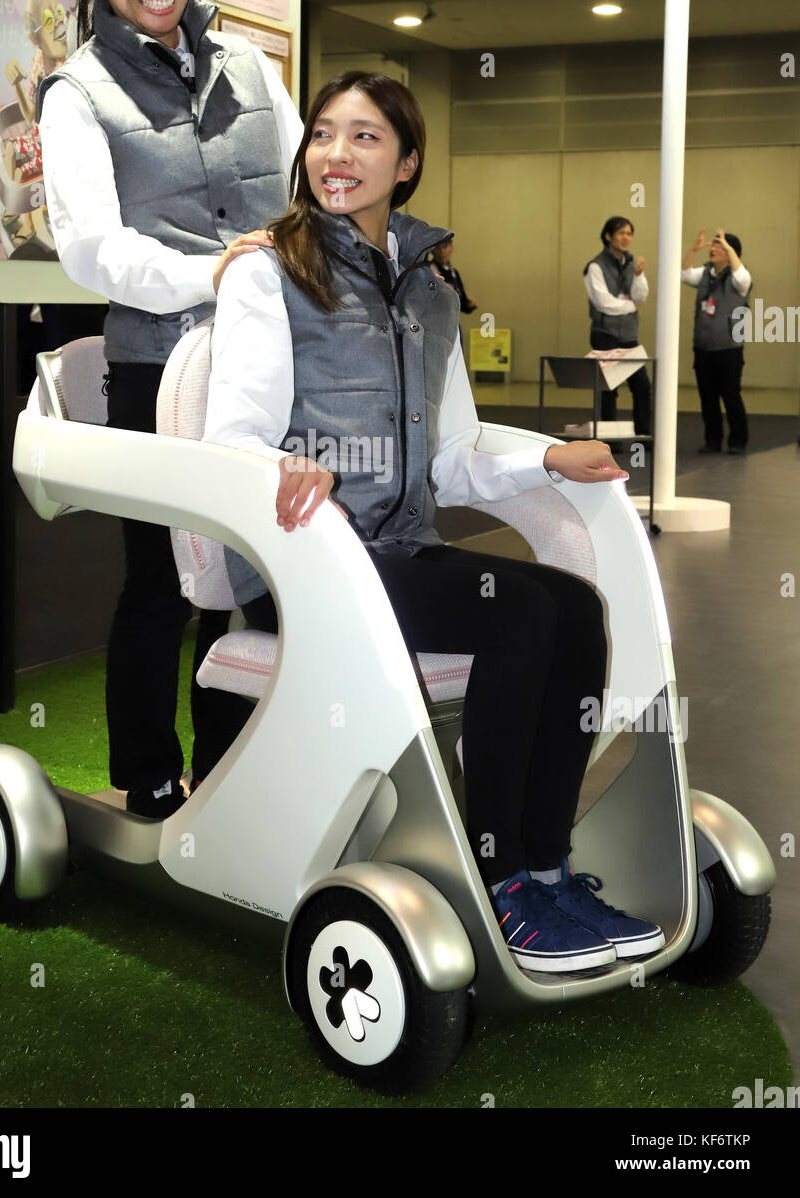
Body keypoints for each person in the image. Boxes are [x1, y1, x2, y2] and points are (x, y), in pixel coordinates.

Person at [203, 71, 665, 974]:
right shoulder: (267, 269)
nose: (336, 155)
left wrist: (546, 459)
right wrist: (281, 464)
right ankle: (495, 881)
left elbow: (450, 458)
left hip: (399, 556)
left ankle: (542, 866)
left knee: (573, 606)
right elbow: (232, 438)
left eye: (365, 138)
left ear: (407, 163)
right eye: (324, 134)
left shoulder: (429, 289)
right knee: (523, 613)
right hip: (307, 564)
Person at [37, 0, 303, 819]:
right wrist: (217, 275)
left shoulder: (249, 65)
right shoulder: (76, 93)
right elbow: (91, 249)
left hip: (276, 357)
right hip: (160, 364)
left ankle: (239, 777)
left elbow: (304, 185)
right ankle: (149, 779)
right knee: (166, 581)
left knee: (276, 573)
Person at [681, 228, 751, 455]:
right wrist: (693, 249)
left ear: (731, 252)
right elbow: (683, 274)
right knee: (708, 398)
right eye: (713, 245)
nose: (713, 249)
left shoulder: (738, 277)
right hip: (703, 348)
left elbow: (743, 279)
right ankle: (712, 441)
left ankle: (738, 441)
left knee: (731, 395)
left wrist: (729, 248)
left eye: (719, 246)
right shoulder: (705, 273)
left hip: (729, 349)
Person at [584, 217, 651, 436]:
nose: (626, 238)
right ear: (608, 236)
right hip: (605, 334)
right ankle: (608, 439)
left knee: (642, 385)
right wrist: (631, 305)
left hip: (629, 334)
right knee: (608, 389)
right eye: (621, 233)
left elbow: (642, 295)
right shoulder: (595, 266)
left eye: (629, 233)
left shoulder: (632, 263)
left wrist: (639, 275)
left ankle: (643, 433)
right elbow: (604, 303)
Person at [430, 239, 477, 314]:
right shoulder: (428, 271)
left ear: (451, 248)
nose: (442, 251)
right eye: (438, 247)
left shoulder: (454, 273)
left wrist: (469, 305)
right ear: (432, 250)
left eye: (445, 247)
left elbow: (461, 301)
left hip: (452, 321)